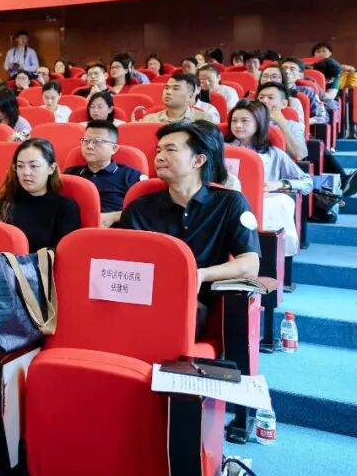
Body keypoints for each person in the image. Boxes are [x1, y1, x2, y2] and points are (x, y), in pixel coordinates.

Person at [119, 121, 260, 335]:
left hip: (196, 302)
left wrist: (200, 275)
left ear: (198, 160)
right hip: (144, 297)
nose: (159, 157)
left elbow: (250, 264)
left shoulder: (230, 202)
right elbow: (124, 263)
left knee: (185, 313)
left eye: (170, 150)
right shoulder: (138, 208)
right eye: (158, 150)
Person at [227, 100, 311, 256]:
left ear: (259, 123)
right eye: (234, 120)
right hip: (227, 202)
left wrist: (280, 183)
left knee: (281, 202)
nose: (238, 125)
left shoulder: (274, 154)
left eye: (245, 121)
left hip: (261, 202)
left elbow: (307, 182)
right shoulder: (221, 149)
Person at [0, 138, 80, 252]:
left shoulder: (65, 207)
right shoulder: (5, 200)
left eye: (34, 166)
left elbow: (65, 254)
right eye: (20, 166)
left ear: (51, 168)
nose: (26, 172)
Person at [64, 120, 144, 227]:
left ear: (114, 148)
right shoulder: (70, 174)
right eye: (86, 141)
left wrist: (114, 216)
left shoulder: (131, 176)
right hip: (73, 229)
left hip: (113, 232)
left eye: (97, 142)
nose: (89, 146)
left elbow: (145, 211)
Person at [255, 82, 307, 161]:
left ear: (284, 104)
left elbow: (300, 155)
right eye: (261, 97)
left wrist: (282, 123)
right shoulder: (249, 122)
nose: (264, 101)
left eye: (270, 98)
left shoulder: (293, 126)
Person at [141, 74, 217, 124]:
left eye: (176, 88)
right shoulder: (150, 120)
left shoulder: (204, 120)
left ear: (190, 96)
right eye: (166, 88)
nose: (168, 92)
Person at [280, 57, 327, 124]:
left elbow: (322, 117)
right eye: (283, 68)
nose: (286, 71)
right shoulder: (269, 89)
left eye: (292, 69)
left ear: (300, 75)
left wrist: (302, 122)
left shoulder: (307, 91)